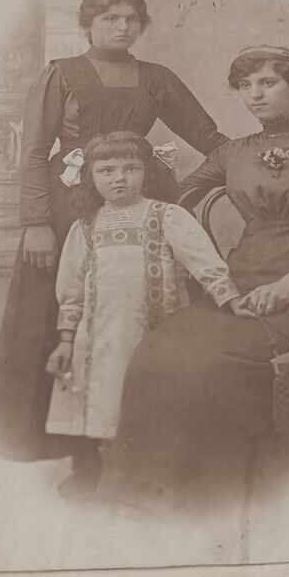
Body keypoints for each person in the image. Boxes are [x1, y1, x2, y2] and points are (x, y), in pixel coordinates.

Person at [102, 44, 289, 512]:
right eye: (246, 87)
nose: (255, 95)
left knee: (214, 363)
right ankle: (151, 494)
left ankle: (223, 494)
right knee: (159, 349)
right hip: (241, 289)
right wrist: (128, 169)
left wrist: (287, 287)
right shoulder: (233, 152)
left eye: (267, 83)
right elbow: (176, 202)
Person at [0, 0, 227, 476]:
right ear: (88, 24)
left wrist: (208, 182)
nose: (122, 27)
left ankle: (142, 440)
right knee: (63, 309)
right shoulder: (61, 75)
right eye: (111, 18)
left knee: (142, 310)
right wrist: (35, 223)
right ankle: (74, 449)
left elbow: (211, 139)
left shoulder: (157, 78)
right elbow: (33, 151)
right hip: (64, 208)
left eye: (132, 19)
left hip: (137, 200)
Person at [44, 133, 247, 499]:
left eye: (130, 168)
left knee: (152, 401)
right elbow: (71, 289)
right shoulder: (86, 227)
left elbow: (205, 263)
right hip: (98, 336)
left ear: (147, 172)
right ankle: (103, 478)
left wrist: (231, 299)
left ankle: (152, 481)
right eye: (106, 170)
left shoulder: (166, 216)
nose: (119, 178)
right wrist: (65, 340)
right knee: (104, 400)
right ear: (89, 176)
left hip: (154, 334)